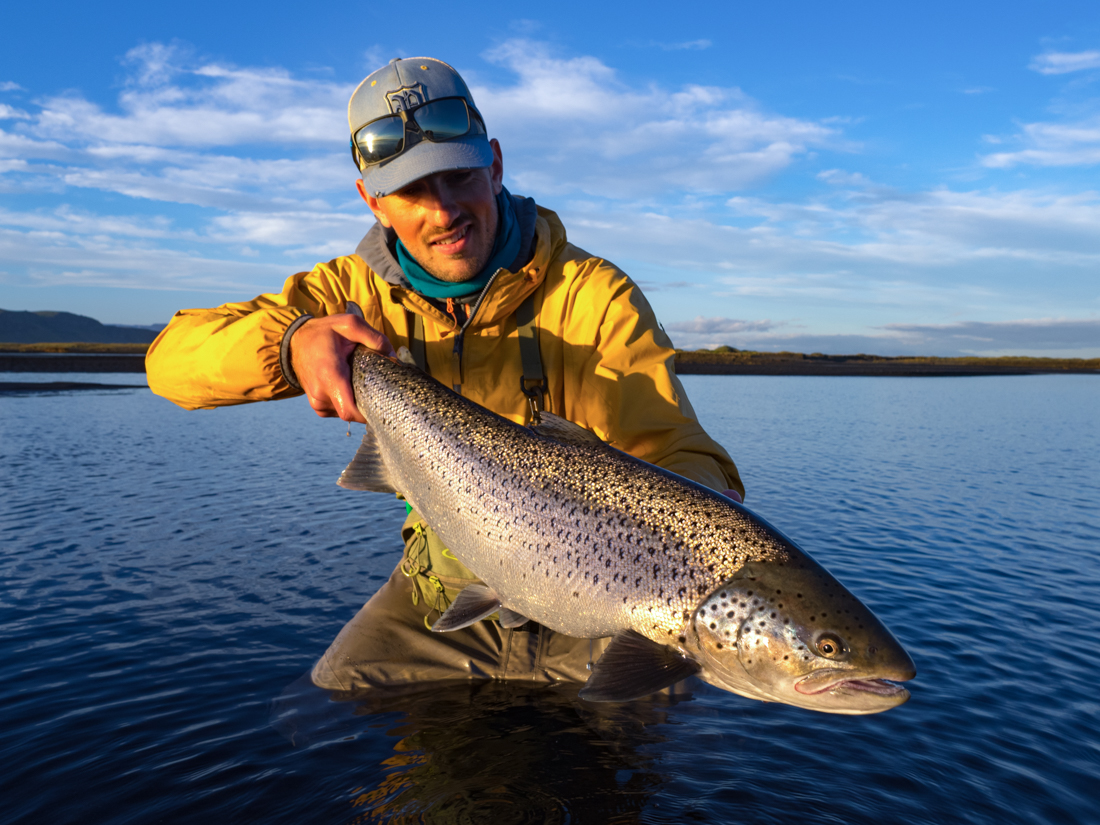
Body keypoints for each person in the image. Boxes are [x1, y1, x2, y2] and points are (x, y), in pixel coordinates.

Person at [147, 57, 744, 696]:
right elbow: (170, 362)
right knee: (322, 710)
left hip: (602, 603)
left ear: (495, 166)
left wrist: (710, 557)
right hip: (445, 594)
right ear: (372, 200)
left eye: (459, 177)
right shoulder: (347, 295)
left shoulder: (593, 293)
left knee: (655, 748)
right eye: (410, 192)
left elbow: (676, 452)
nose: (443, 211)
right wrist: (291, 343)